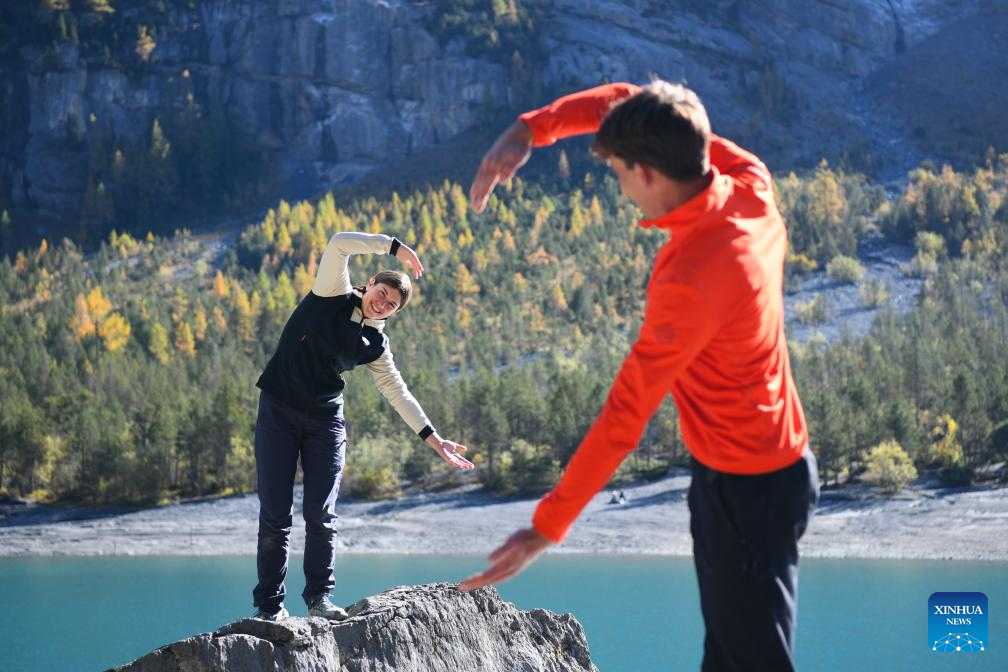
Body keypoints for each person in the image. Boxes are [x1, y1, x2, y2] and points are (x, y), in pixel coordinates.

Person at [459, 81, 820, 672]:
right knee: (728, 656)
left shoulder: (694, 279)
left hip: (745, 494)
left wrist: (546, 527)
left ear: (648, 172)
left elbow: (626, 414)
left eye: (622, 175)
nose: (623, 192)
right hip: (766, 475)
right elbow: (637, 101)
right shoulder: (751, 185)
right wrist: (531, 129)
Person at [252, 230, 474, 621]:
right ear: (370, 283)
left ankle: (320, 599)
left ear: (394, 313)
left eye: (390, 305)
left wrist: (434, 439)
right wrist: (394, 246)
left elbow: (397, 391)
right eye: (380, 294)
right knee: (275, 514)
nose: (382, 304)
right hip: (278, 412)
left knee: (321, 515)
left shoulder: (376, 345)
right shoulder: (331, 293)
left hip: (325, 423)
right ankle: (270, 608)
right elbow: (338, 242)